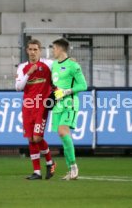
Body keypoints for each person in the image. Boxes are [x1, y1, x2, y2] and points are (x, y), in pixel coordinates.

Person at [16, 39, 56, 180]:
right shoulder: (22, 67)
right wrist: (29, 73)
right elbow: (18, 87)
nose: (33, 52)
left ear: (40, 50)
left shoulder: (49, 64)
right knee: (31, 139)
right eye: (30, 49)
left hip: (42, 106)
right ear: (27, 51)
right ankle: (37, 172)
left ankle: (50, 162)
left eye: (35, 49)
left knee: (37, 137)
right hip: (27, 106)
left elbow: (61, 72)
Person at [51, 38, 87, 180]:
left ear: (60, 49)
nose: (53, 51)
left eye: (54, 48)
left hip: (70, 103)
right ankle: (71, 169)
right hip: (58, 105)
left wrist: (66, 91)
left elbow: (83, 85)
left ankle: (73, 167)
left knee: (62, 131)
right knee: (62, 135)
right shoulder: (54, 65)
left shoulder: (73, 65)